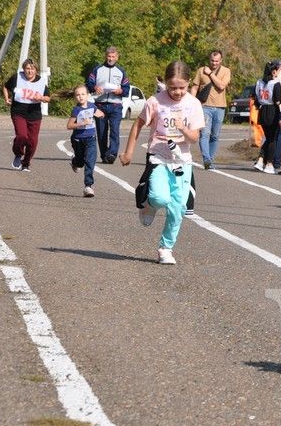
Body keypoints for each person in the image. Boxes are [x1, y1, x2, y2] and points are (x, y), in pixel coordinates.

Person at [120, 61, 205, 265]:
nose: (176, 92)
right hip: (158, 158)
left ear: (188, 84)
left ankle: (166, 248)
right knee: (159, 197)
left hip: (182, 162)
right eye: (172, 87)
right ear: (165, 83)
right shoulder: (155, 102)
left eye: (182, 87)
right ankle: (149, 205)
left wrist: (183, 129)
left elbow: (194, 137)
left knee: (178, 208)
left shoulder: (193, 104)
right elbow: (138, 125)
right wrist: (128, 152)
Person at [3, 58, 50, 172]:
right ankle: (18, 154)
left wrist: (42, 98)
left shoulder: (41, 81)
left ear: (36, 70)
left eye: (32, 69)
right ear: (23, 69)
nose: (30, 71)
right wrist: (6, 98)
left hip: (34, 114)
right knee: (22, 136)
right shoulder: (17, 78)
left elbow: (48, 98)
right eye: (27, 69)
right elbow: (5, 86)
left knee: (32, 142)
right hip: (18, 111)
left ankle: (26, 163)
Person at [87, 46, 130, 164]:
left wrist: (120, 91)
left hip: (115, 105)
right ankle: (104, 154)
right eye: (109, 56)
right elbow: (89, 84)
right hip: (100, 105)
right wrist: (95, 87)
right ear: (105, 56)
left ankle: (111, 154)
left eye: (113, 57)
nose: (110, 59)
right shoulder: (97, 69)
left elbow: (126, 89)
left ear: (117, 57)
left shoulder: (121, 72)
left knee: (115, 130)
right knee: (101, 132)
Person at [191, 50, 232, 169]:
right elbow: (194, 87)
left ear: (221, 60)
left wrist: (210, 74)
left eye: (216, 61)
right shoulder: (200, 71)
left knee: (215, 135)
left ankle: (211, 160)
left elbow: (221, 86)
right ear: (209, 60)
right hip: (204, 107)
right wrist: (192, 103)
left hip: (220, 107)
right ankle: (206, 159)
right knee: (204, 133)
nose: (214, 63)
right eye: (212, 61)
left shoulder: (226, 71)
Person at [67, 85, 105, 197]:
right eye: (78, 95)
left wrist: (101, 115)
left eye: (83, 94)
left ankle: (88, 186)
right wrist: (81, 123)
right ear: (75, 97)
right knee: (80, 162)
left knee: (90, 162)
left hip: (91, 139)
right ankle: (75, 162)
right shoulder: (76, 110)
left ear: (88, 95)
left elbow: (100, 113)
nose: (80, 97)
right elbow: (69, 126)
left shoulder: (92, 106)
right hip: (78, 139)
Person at [253, 60, 281, 174]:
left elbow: (256, 98)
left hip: (262, 111)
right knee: (273, 139)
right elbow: (277, 100)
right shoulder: (275, 83)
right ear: (274, 71)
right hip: (272, 110)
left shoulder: (259, 82)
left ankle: (261, 160)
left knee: (268, 137)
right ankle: (269, 164)